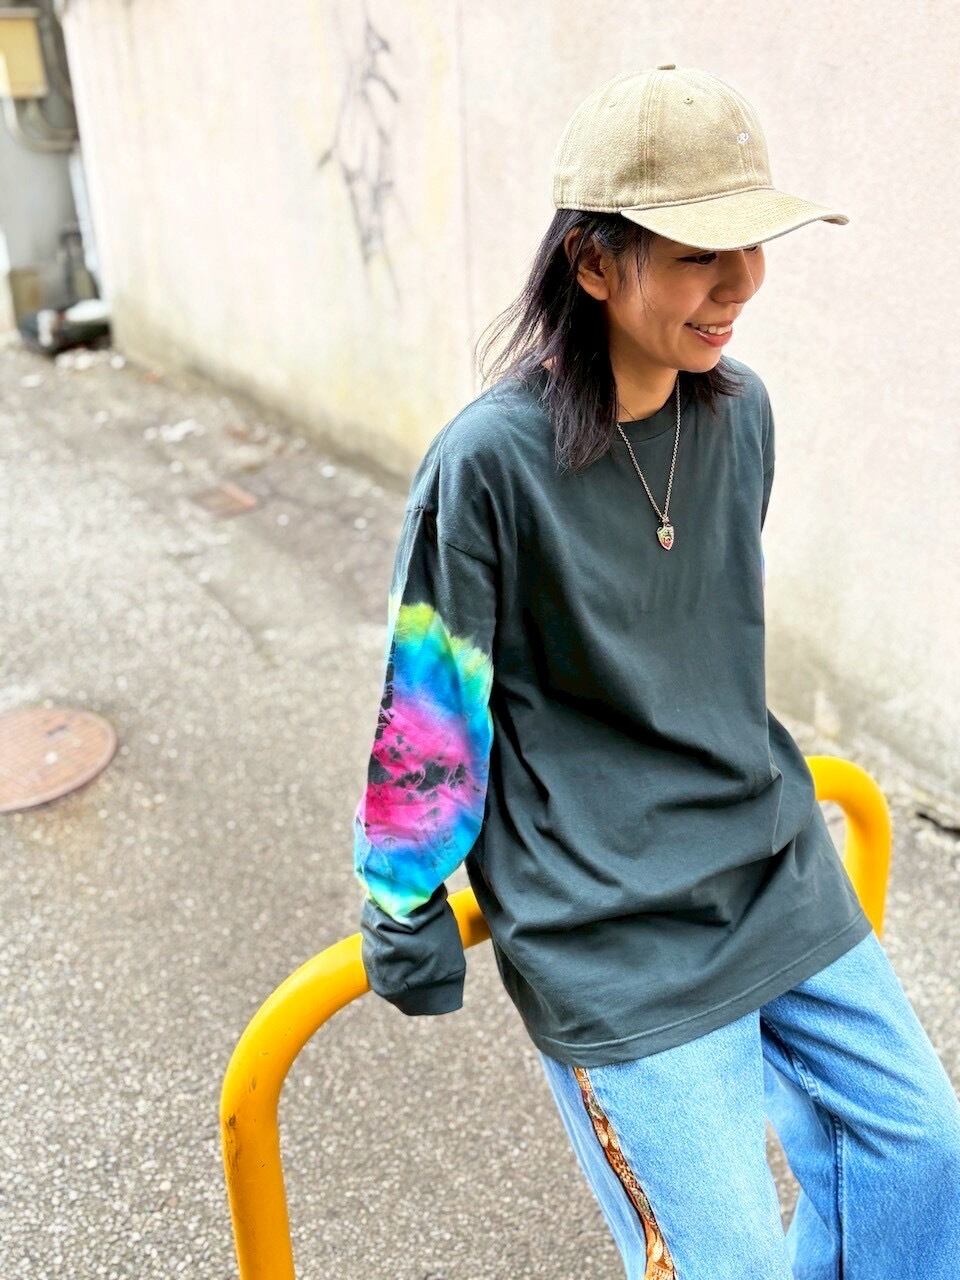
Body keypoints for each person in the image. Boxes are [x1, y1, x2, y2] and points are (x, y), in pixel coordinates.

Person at [351, 63, 960, 1278]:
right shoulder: (489, 463)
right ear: (592, 262)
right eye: (697, 255)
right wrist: (403, 905)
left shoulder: (740, 417)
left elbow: (699, 642)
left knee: (922, 1153)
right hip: (607, 919)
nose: (741, 284)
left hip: (767, 860)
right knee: (726, 1261)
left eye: (751, 245)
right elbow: (433, 707)